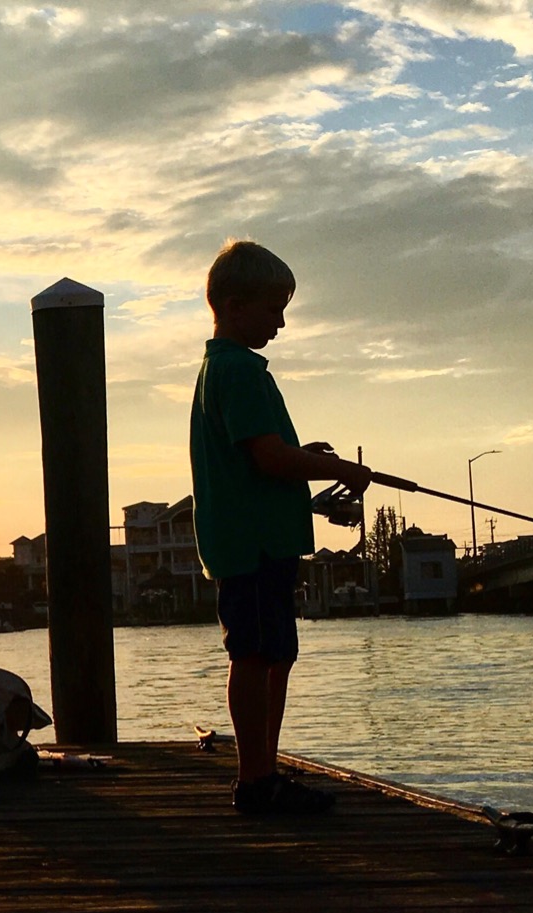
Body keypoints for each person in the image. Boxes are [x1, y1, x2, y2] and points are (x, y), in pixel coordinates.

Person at [189, 240, 373, 815]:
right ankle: (255, 779)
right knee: (254, 655)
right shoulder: (240, 371)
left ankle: (263, 770)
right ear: (235, 306)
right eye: (273, 310)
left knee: (274, 654)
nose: (281, 323)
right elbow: (270, 458)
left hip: (255, 540)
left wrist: (306, 455)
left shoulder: (220, 369)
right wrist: (340, 470)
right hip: (254, 544)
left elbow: (257, 452)